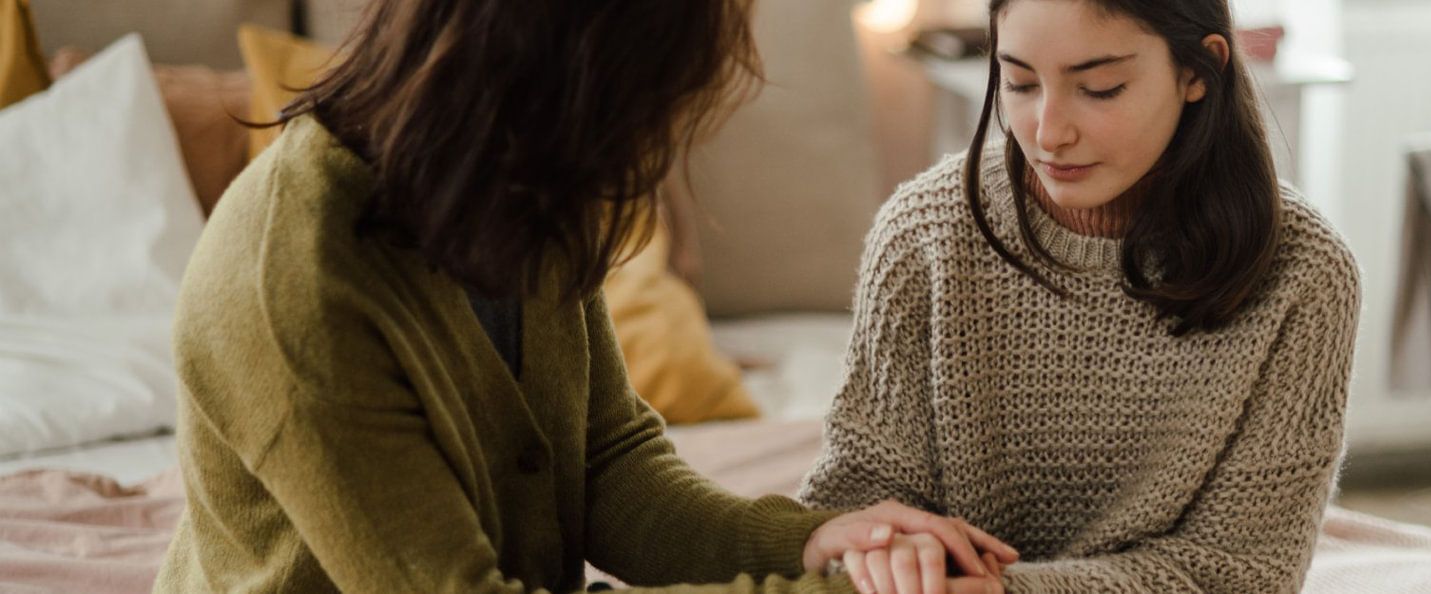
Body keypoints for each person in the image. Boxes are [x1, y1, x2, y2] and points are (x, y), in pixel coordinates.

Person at [152, 1, 1014, 592]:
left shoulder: (515, 193)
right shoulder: (294, 283)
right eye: (640, 112)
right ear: (555, 85)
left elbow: (607, 468)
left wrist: (811, 542)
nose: (649, 152)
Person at [799, 0, 1361, 592]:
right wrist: (891, 547)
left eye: (1099, 88)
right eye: (1017, 82)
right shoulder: (924, 234)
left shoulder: (1305, 273)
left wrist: (1010, 590)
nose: (1048, 132)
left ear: (1199, 71)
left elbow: (1242, 572)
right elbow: (851, 503)